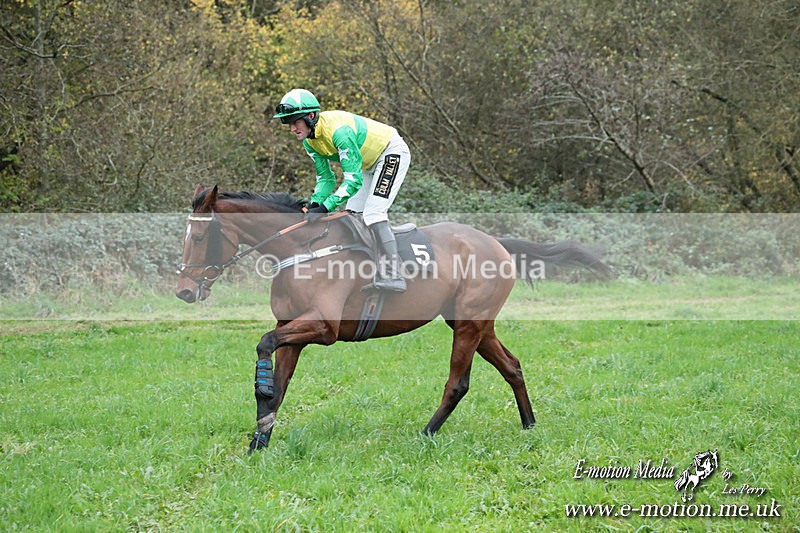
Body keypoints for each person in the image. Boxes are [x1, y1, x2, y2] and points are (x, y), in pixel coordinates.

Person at [273, 88, 410, 292]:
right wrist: (316, 203)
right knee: (352, 215)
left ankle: (395, 275)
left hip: (390, 153)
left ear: (311, 116)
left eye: (295, 122)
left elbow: (352, 181)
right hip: (367, 164)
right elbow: (326, 178)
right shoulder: (310, 142)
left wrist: (327, 206)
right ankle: (369, 269)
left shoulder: (339, 132)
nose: (292, 128)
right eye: (288, 123)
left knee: (373, 214)